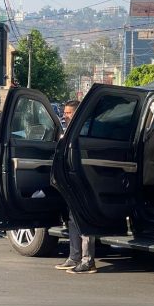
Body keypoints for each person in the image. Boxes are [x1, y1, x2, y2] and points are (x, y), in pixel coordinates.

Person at [55, 99, 97, 274]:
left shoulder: (86, 131)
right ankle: (74, 256)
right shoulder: (68, 131)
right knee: (73, 219)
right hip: (72, 182)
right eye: (64, 113)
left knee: (85, 220)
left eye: (68, 112)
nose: (65, 116)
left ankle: (88, 261)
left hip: (86, 181)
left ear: (78, 113)